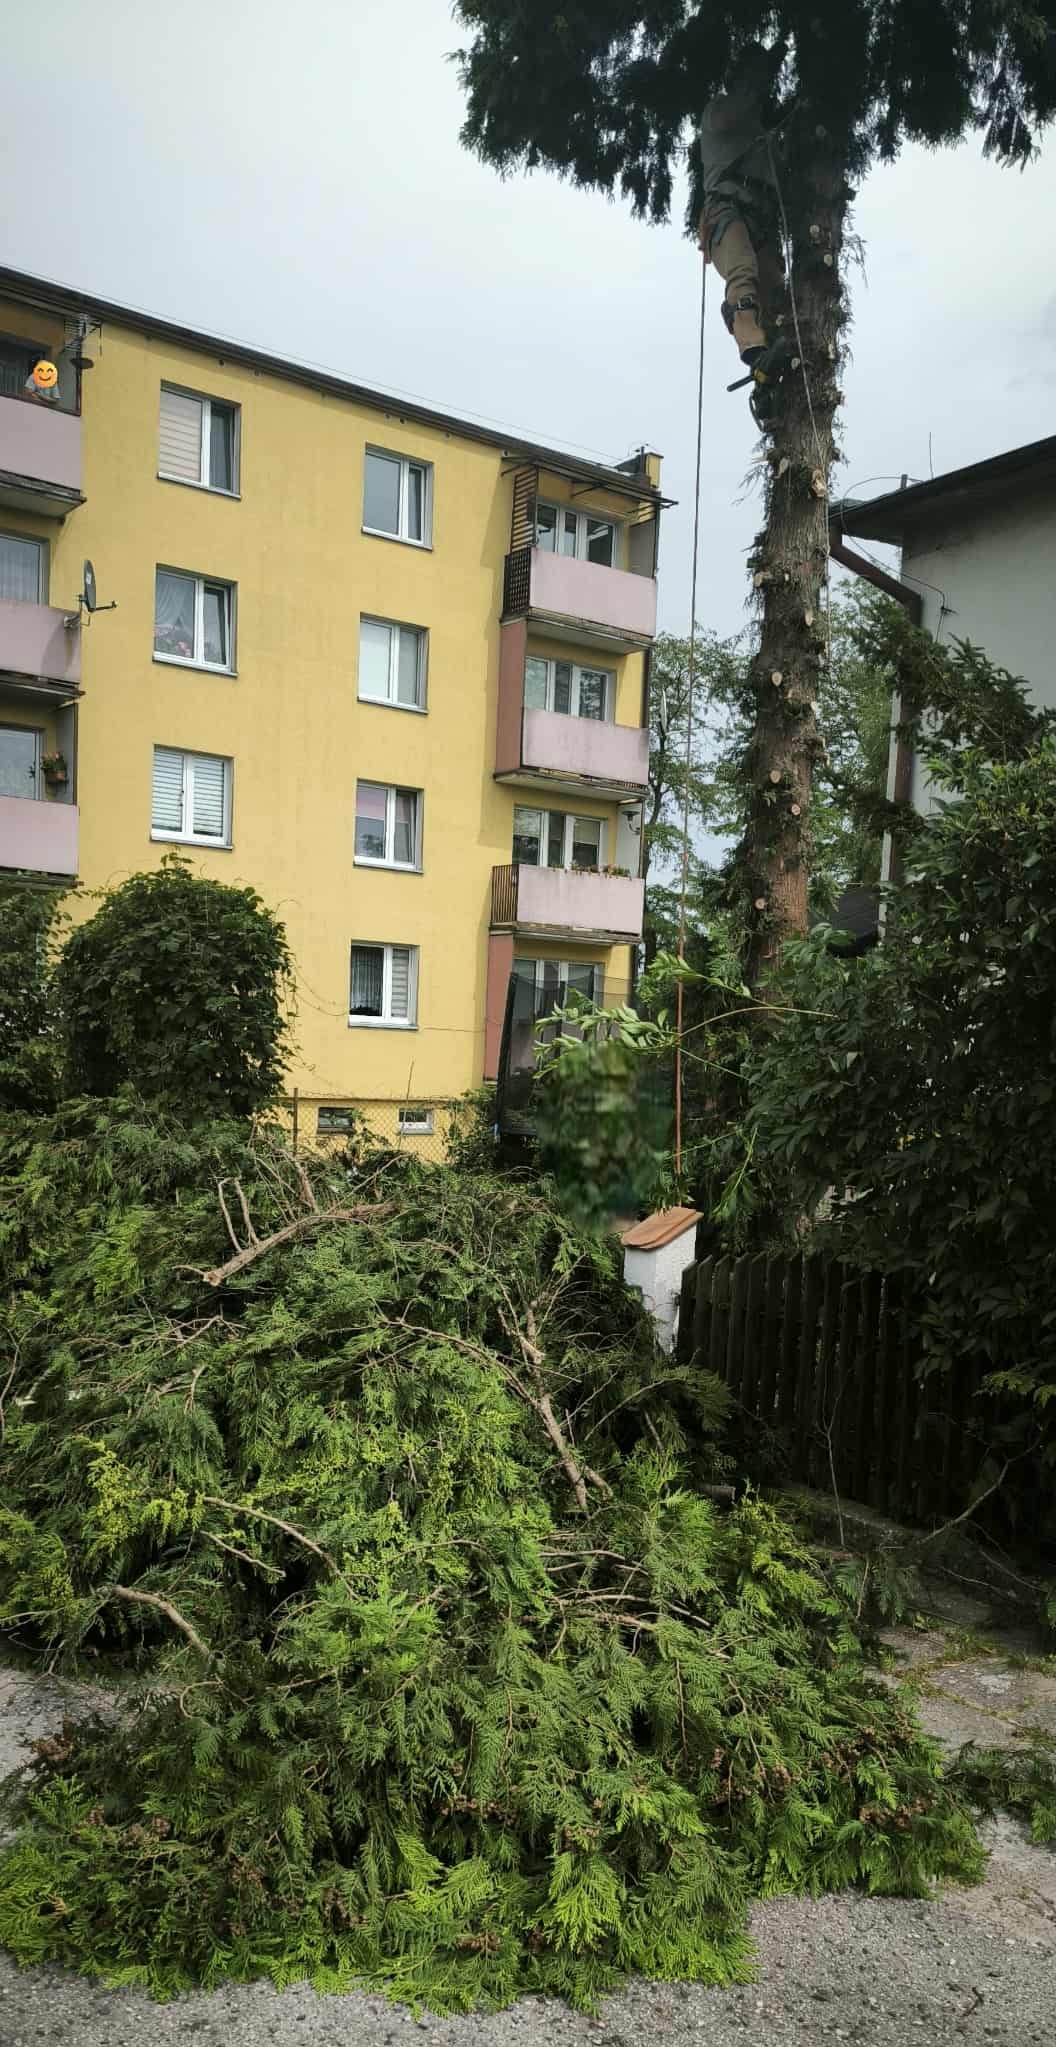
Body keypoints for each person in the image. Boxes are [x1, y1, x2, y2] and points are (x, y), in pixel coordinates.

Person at [697, 43, 795, 423]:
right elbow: (732, 116)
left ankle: (768, 372)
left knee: (773, 292)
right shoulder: (719, 110)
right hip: (727, 210)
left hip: (763, 222)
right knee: (742, 272)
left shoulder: (761, 131)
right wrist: (761, 76)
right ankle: (753, 351)